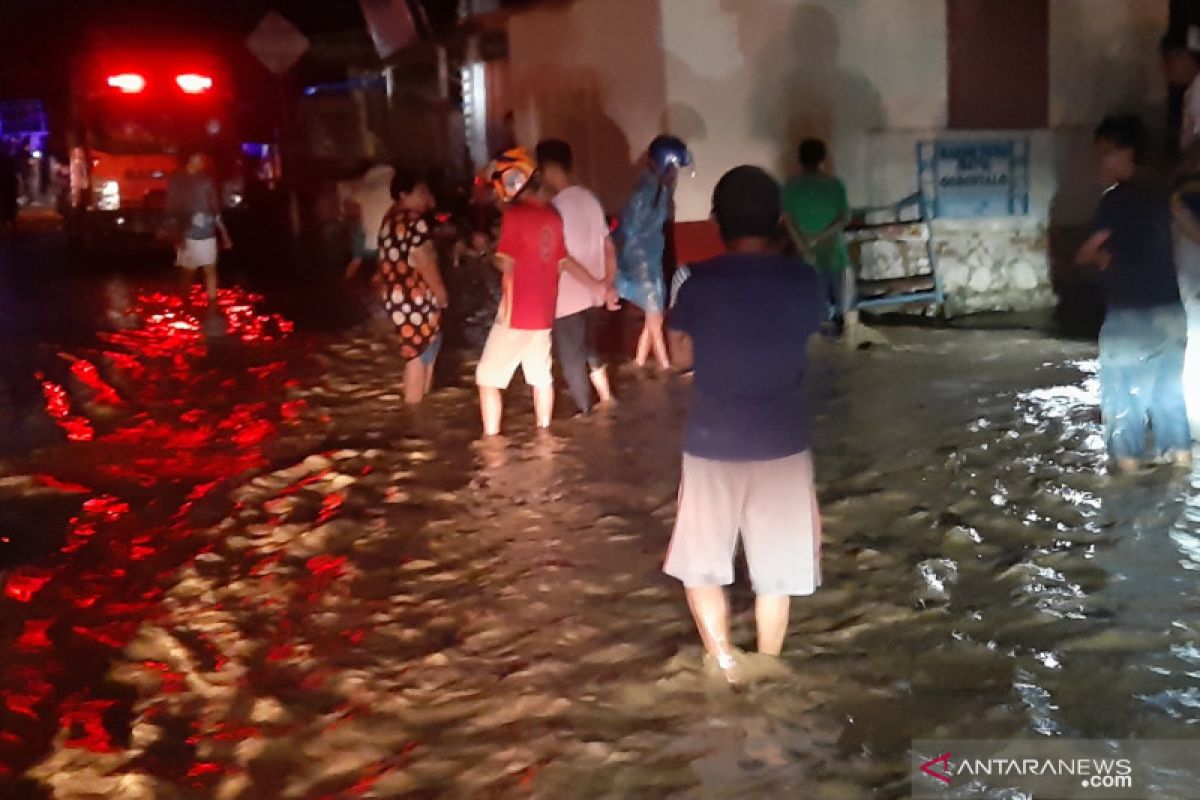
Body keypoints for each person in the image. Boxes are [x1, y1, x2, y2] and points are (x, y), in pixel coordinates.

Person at [664, 165, 824, 684]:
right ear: (779, 219)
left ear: (715, 221)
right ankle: (770, 667)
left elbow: (678, 357)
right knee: (776, 576)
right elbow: (808, 338)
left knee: (701, 564)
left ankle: (725, 663)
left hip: (712, 442)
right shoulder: (805, 281)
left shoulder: (694, 279)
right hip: (784, 442)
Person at [1076, 115, 1191, 473]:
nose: (1100, 162)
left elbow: (1087, 252)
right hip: (1172, 314)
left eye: (1105, 153)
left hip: (1130, 318)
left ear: (1127, 154)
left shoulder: (1113, 201)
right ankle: (1182, 468)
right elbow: (1194, 231)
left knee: (1123, 403)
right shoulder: (1165, 197)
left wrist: (1095, 258)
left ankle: (1124, 494)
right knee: (1170, 399)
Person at [475, 147, 604, 436]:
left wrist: (485, 251)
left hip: (515, 311)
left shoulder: (515, 217)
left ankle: (492, 442)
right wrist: (596, 285)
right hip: (544, 314)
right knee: (540, 377)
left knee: (487, 379)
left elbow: (505, 265)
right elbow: (561, 262)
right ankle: (544, 436)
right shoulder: (552, 215)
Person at [536, 138, 617, 415]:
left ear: (546, 170)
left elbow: (561, 260)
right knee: (590, 348)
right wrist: (606, 285)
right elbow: (608, 245)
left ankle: (586, 413)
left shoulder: (553, 210)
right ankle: (607, 399)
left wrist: (596, 284)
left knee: (572, 360)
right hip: (594, 299)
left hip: (567, 301)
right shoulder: (590, 198)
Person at [616, 135, 692, 371]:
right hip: (642, 263)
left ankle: (639, 362)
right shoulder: (646, 190)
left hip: (648, 260)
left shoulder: (655, 187)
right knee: (655, 317)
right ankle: (665, 365)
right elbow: (630, 229)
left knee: (653, 317)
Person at [377, 170, 448, 405]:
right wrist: (439, 290)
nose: (425, 197)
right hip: (414, 296)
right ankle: (415, 408)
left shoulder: (390, 219)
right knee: (418, 353)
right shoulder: (413, 222)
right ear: (404, 194)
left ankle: (419, 404)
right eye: (420, 193)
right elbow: (423, 258)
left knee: (419, 348)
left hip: (397, 296)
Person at [782, 138, 852, 330]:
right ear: (823, 159)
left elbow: (789, 221)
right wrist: (821, 237)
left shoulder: (791, 187)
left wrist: (803, 244)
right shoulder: (835, 185)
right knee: (838, 301)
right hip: (833, 252)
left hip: (805, 254)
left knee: (813, 305)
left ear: (799, 159)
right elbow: (843, 218)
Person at [165, 152, 231, 301]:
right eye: (199, 159)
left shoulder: (206, 180)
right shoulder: (177, 181)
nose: (202, 163)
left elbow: (215, 208)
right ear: (190, 160)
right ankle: (183, 299)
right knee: (189, 271)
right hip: (187, 233)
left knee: (210, 269)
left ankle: (212, 305)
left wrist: (224, 233)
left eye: (203, 160)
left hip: (206, 231)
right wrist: (175, 233)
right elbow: (171, 208)